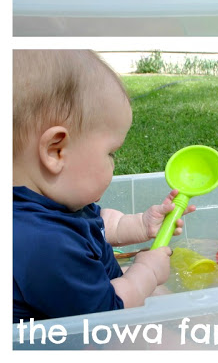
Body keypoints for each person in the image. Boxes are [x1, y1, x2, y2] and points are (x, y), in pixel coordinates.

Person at [13, 50, 195, 322]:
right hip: (85, 336)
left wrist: (141, 224)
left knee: (178, 310)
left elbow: (98, 222)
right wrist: (147, 273)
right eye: (111, 153)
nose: (114, 164)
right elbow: (105, 317)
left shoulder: (49, 203)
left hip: (109, 298)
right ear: (56, 151)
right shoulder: (45, 247)